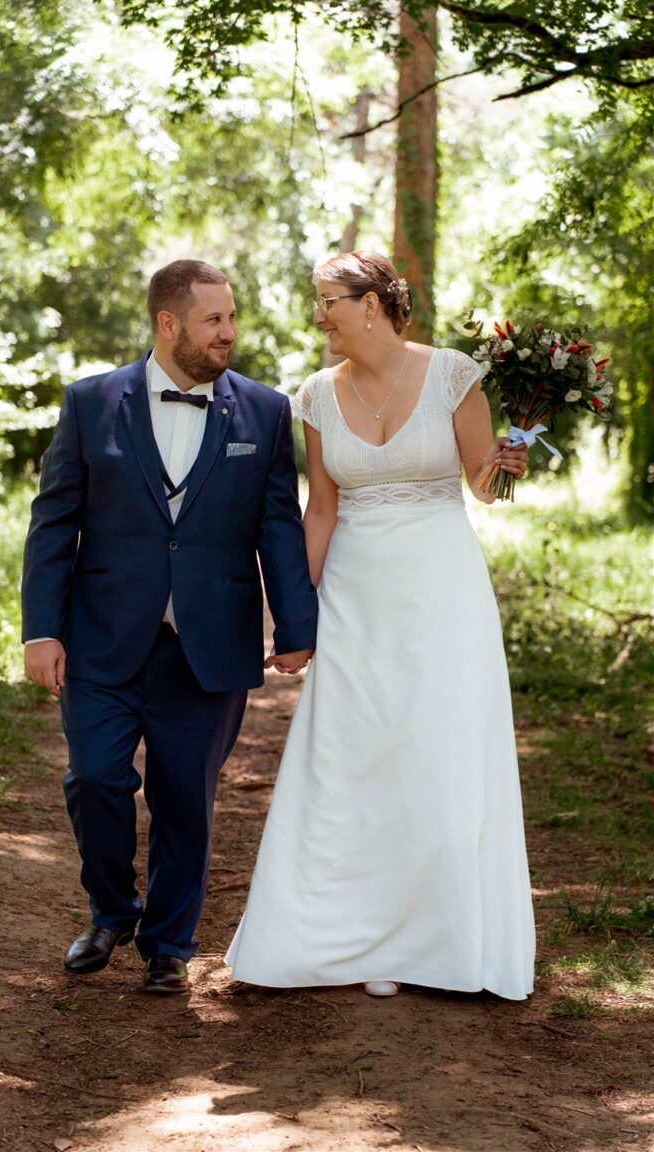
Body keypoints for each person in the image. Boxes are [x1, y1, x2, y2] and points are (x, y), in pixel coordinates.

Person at [226, 251, 535, 1001]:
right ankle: (351, 937)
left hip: (442, 595)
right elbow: (322, 510)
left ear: (371, 303)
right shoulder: (315, 397)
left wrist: (509, 461)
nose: (317, 315)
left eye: (326, 300)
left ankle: (442, 941)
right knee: (349, 758)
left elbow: (481, 486)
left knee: (440, 752)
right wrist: (292, 613)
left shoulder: (454, 374)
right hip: (356, 601)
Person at [21, 259, 317, 994]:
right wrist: (40, 630)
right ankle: (110, 910)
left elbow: (279, 527)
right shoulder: (91, 403)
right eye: (214, 319)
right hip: (101, 635)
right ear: (168, 323)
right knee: (96, 778)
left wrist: (296, 623)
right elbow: (54, 522)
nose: (229, 332)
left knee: (187, 796)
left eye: (232, 317)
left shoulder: (264, 411)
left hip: (208, 643)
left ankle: (169, 945)